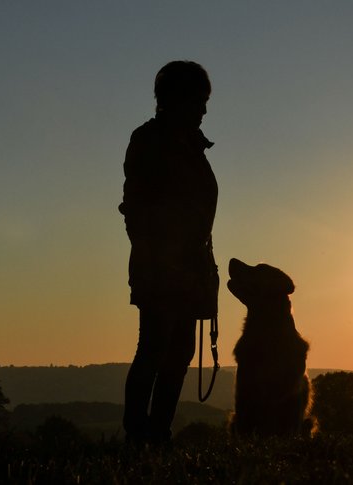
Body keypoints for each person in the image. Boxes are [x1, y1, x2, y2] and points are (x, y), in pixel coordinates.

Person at [118, 60, 218, 444]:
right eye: (199, 100)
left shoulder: (191, 146)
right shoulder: (151, 140)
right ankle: (137, 436)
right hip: (161, 264)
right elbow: (137, 207)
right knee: (155, 348)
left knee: (179, 353)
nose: (205, 109)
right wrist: (161, 257)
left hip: (191, 265)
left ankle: (157, 434)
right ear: (177, 98)